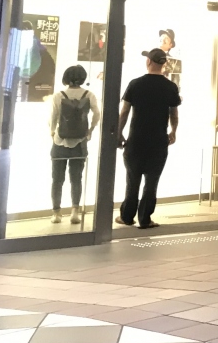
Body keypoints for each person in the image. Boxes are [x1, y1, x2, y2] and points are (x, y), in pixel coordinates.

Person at [116, 48, 180, 229]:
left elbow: (124, 112)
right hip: (158, 142)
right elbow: (174, 114)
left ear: (149, 61)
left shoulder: (135, 84)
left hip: (135, 141)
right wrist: (173, 131)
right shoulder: (170, 87)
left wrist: (119, 133)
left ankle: (127, 216)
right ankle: (145, 219)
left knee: (132, 181)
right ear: (164, 64)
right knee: (152, 183)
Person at [48, 65, 101, 225]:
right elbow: (97, 114)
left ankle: (56, 213)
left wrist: (52, 132)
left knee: (57, 179)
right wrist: (90, 130)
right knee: (76, 178)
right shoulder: (89, 95)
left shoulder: (59, 95)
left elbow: (53, 117)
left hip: (60, 142)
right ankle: (74, 212)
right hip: (79, 142)